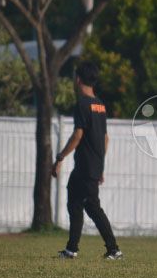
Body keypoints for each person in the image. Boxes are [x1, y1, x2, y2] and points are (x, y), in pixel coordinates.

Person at [52, 61, 122, 261]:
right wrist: (100, 166)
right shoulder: (100, 104)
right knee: (74, 201)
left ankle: (114, 249)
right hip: (90, 165)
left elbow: (78, 135)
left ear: (78, 79)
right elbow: (105, 138)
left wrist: (60, 157)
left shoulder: (82, 104)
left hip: (85, 165)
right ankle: (71, 249)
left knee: (92, 206)